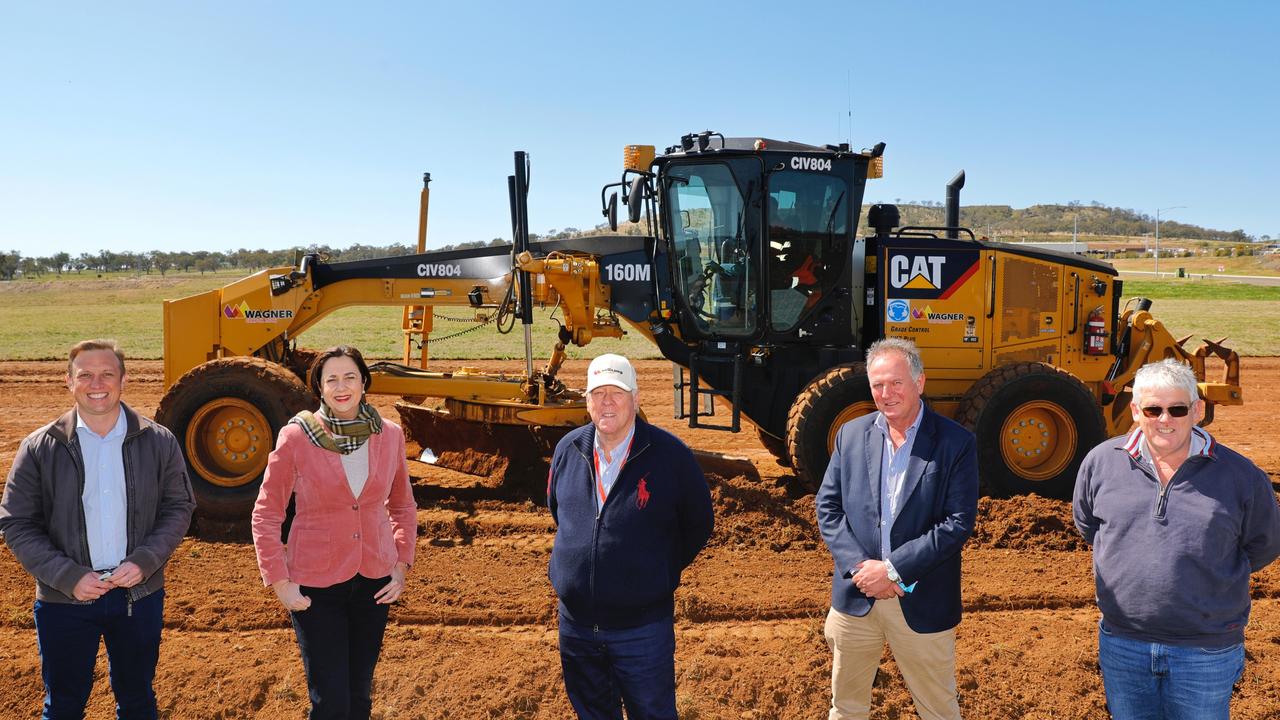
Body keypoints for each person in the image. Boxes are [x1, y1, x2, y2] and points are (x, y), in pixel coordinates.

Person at [1073, 358, 1280, 719]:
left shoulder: (1241, 476)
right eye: (1153, 409)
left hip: (1204, 651)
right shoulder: (1101, 462)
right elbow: (1089, 526)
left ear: (1197, 410)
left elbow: (1263, 545)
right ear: (1136, 410)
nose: (1165, 420)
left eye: (1177, 409)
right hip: (1123, 644)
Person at [0, 339, 195, 719]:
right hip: (64, 601)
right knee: (64, 705)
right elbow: (17, 522)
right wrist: (67, 576)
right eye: (85, 374)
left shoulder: (158, 441)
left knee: (137, 701)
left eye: (107, 373)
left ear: (123, 379)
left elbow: (179, 507)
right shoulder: (40, 447)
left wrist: (145, 562)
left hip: (137, 597)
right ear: (68, 381)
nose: (97, 383)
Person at [815, 337, 978, 720]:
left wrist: (891, 570)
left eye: (896, 382)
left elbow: (957, 524)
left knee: (938, 710)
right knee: (846, 708)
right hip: (857, 599)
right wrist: (860, 568)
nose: (886, 394)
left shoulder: (955, 443)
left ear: (919, 382)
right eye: (877, 385)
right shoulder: (851, 435)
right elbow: (828, 507)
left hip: (921, 599)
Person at [252, 345, 417, 720]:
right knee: (330, 703)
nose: (341, 387)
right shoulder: (296, 437)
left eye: (349, 377)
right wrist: (279, 581)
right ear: (320, 388)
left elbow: (403, 505)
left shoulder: (389, 435)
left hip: (374, 581)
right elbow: (266, 513)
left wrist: (401, 564)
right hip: (315, 586)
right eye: (332, 380)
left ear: (364, 382)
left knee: (359, 697)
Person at [546, 353, 715, 720]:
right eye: (598, 393)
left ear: (636, 400)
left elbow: (699, 523)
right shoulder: (567, 450)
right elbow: (559, 511)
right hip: (576, 628)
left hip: (641, 631)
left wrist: (656, 566)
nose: (607, 402)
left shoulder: (670, 456)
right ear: (586, 400)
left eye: (617, 393)